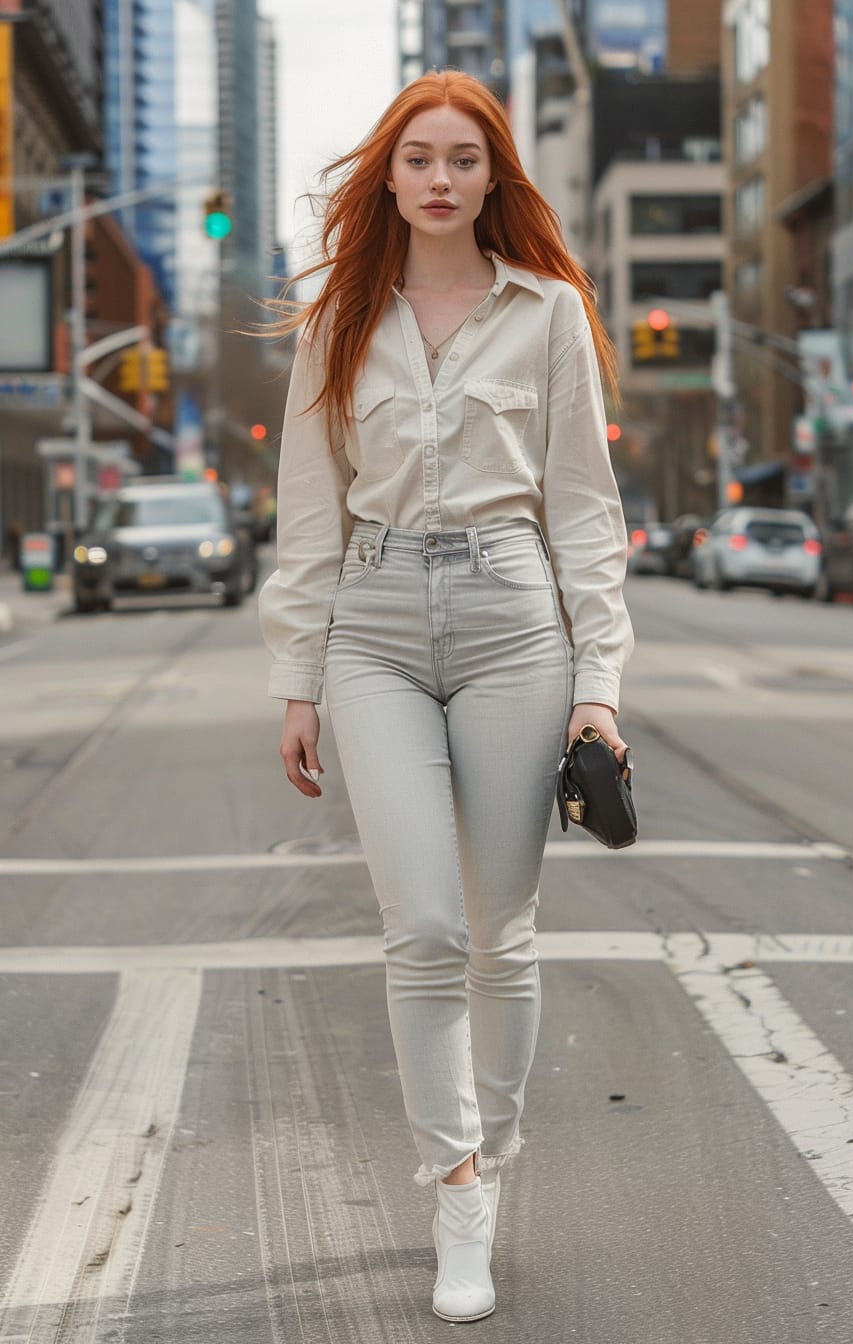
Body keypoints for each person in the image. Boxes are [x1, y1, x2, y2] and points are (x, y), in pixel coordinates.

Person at [259, 70, 633, 1323]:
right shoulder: (336, 322)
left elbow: (584, 512)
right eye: (415, 157)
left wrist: (599, 689)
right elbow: (307, 515)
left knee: (497, 930)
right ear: (388, 174)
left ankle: (495, 1136)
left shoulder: (547, 313)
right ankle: (456, 1188)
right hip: (370, 625)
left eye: (461, 159)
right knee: (420, 929)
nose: (436, 178)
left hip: (512, 623)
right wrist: (297, 680)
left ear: (492, 177)